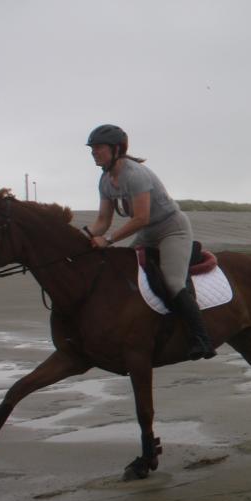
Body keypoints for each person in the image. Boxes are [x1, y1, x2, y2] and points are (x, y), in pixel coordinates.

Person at [84, 124, 216, 359]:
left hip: (171, 230)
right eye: (92, 148)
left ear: (116, 149)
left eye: (98, 148)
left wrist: (108, 239)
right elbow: (103, 220)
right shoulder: (105, 180)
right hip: (148, 233)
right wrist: (84, 236)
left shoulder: (135, 175)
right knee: (122, 269)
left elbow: (141, 218)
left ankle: (202, 339)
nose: (94, 152)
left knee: (173, 283)